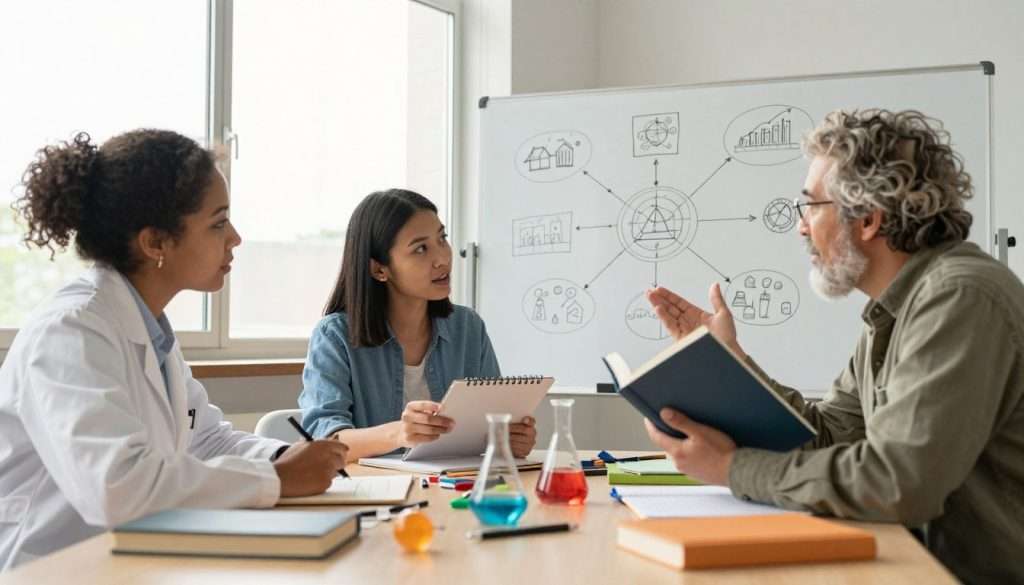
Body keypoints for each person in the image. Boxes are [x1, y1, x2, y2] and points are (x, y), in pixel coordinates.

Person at [643, 110, 1024, 584]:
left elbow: (897, 483)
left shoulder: (959, 298)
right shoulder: (899, 307)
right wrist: (729, 362)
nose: (802, 227)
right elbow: (826, 436)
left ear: (868, 220)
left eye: (811, 207)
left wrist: (731, 469)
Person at [0, 130, 348, 571]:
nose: (235, 238)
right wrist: (277, 478)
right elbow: (116, 488)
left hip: (125, 562)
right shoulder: (70, 331)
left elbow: (207, 439)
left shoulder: (148, 329)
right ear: (155, 243)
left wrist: (285, 458)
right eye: (218, 223)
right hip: (47, 568)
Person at [299, 189, 537, 460]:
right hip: (372, 485)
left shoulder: (468, 327)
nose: (442, 259)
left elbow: (492, 422)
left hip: (452, 482)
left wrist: (509, 440)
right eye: (421, 249)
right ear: (379, 269)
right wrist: (399, 433)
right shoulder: (335, 335)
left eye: (442, 239)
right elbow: (324, 440)